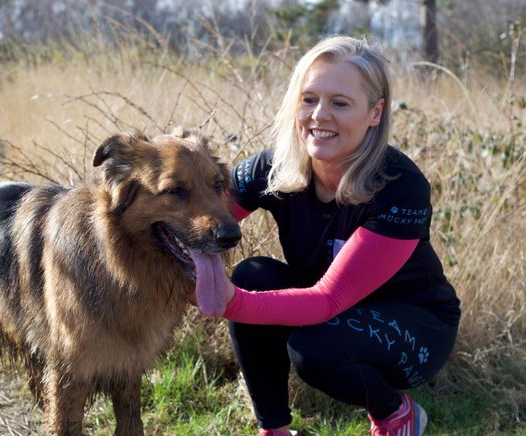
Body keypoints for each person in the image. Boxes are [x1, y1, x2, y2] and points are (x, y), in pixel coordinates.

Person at [191, 35, 460, 436]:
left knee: (314, 349)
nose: (319, 115)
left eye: (340, 103)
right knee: (252, 275)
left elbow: (327, 300)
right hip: (327, 312)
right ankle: (274, 431)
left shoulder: (401, 185)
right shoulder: (272, 167)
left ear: (374, 112)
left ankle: (394, 412)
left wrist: (228, 303)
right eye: (309, 98)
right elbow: (202, 224)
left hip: (413, 324)